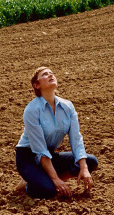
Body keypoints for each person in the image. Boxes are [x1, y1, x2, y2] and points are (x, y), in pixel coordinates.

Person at [15, 66, 98, 199]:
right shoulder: (32, 110)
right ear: (36, 85)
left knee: (91, 161)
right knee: (49, 191)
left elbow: (76, 139)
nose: (50, 75)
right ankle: (28, 183)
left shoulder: (68, 106)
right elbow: (40, 149)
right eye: (45, 74)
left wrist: (84, 168)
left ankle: (46, 178)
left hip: (49, 155)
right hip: (28, 157)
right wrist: (55, 180)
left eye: (51, 73)